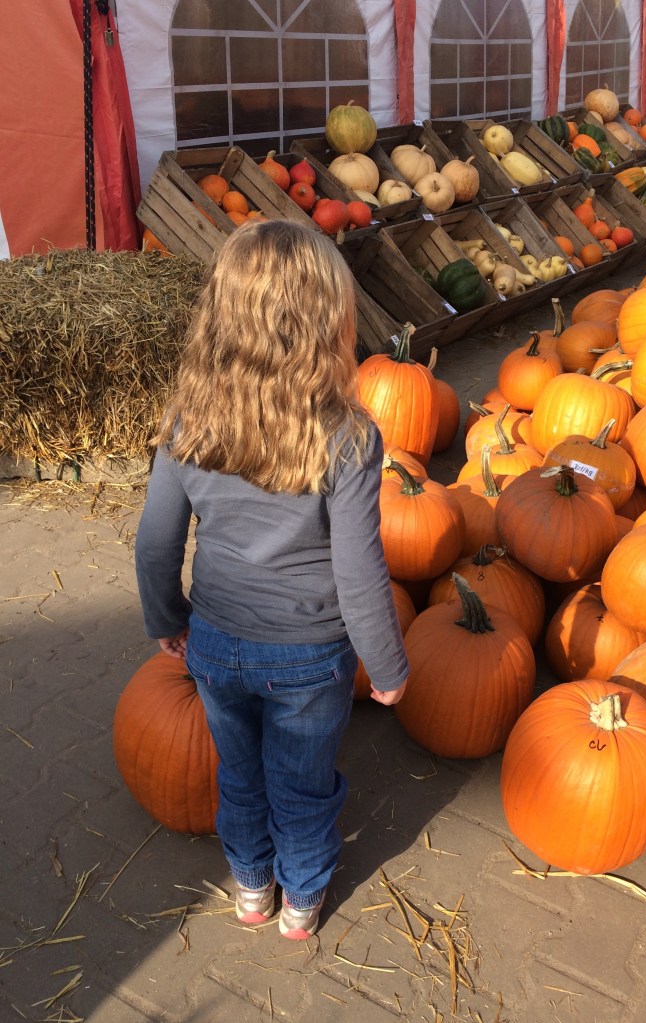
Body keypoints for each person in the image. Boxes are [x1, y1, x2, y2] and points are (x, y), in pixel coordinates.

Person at [134, 219, 409, 940]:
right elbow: (359, 568)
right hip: (309, 656)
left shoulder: (188, 420)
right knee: (301, 783)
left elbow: (157, 539)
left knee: (239, 774)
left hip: (216, 642)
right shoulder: (349, 436)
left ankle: (252, 887)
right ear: (328, 323)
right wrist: (386, 666)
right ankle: (302, 899)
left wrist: (166, 617)